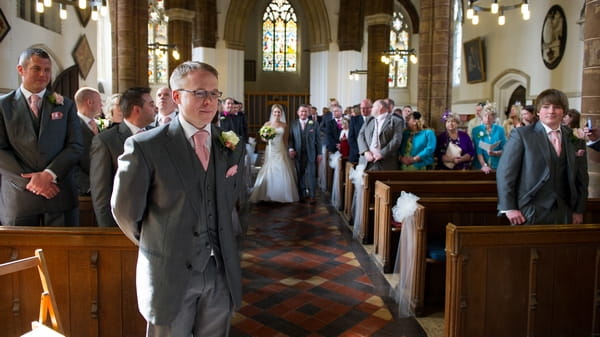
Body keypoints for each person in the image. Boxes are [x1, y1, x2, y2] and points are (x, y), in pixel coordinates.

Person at [112, 61, 245, 336]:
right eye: (199, 93)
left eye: (214, 94)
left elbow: (231, 201)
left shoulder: (230, 144)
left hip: (220, 270)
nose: (209, 101)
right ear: (176, 97)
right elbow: (124, 211)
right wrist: (159, 242)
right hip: (169, 274)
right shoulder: (146, 146)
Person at [0, 47, 83, 226]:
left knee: (63, 252)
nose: (43, 75)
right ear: (21, 70)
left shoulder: (65, 105)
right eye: (36, 69)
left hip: (59, 195)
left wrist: (49, 175)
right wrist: (33, 182)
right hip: (19, 198)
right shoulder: (3, 106)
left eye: (47, 70)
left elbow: (75, 146)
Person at [497, 88, 588, 225]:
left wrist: (579, 210)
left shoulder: (573, 137)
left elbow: (582, 177)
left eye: (556, 107)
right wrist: (509, 207)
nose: (551, 111)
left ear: (563, 111)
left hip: (565, 209)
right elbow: (506, 172)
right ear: (538, 111)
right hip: (529, 209)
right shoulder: (522, 135)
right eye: (546, 107)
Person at [90, 87, 155, 227]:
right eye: (151, 104)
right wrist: (108, 230)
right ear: (137, 110)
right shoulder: (106, 141)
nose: (155, 108)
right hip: (123, 222)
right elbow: (101, 191)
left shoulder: (158, 135)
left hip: (156, 223)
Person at [249, 104, 299, 203]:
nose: (277, 114)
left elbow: (285, 140)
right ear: (272, 113)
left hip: (280, 149)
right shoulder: (267, 124)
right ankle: (267, 193)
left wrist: (287, 150)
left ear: (281, 114)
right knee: (269, 167)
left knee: (281, 167)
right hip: (271, 148)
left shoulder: (284, 125)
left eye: (279, 112)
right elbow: (263, 138)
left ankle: (281, 194)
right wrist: (266, 137)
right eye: (275, 112)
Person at [289, 104, 322, 203]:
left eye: (305, 111)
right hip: (298, 154)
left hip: (311, 154)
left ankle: (312, 195)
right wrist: (291, 149)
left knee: (311, 174)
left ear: (308, 113)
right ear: (298, 113)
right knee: (300, 174)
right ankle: (302, 194)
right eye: (301, 111)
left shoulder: (314, 124)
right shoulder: (293, 124)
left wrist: (319, 153)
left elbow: (318, 140)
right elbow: (291, 139)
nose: (303, 113)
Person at [357, 99, 403, 170]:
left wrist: (382, 153)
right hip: (367, 162)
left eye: (373, 107)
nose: (371, 109)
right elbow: (360, 136)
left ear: (380, 108)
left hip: (386, 162)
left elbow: (396, 140)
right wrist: (365, 151)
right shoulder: (369, 120)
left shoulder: (396, 121)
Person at [75, 87, 103, 196]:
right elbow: (71, 163)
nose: (102, 105)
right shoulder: (72, 126)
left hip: (101, 184)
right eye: (100, 102)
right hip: (86, 189)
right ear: (89, 102)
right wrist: (89, 186)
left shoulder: (98, 124)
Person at [471, 103, 506, 173]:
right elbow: (479, 150)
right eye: (485, 115)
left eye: (490, 116)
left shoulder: (500, 130)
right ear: (482, 116)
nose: (487, 118)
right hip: (480, 166)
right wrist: (484, 165)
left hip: (497, 166)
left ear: (494, 117)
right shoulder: (476, 130)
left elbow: (505, 149)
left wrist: (495, 153)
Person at [347, 98, 371, 163]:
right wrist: (361, 151)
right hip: (356, 155)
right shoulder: (354, 120)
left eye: (365, 108)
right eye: (361, 108)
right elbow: (351, 138)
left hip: (371, 156)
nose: (363, 110)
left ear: (370, 108)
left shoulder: (374, 119)